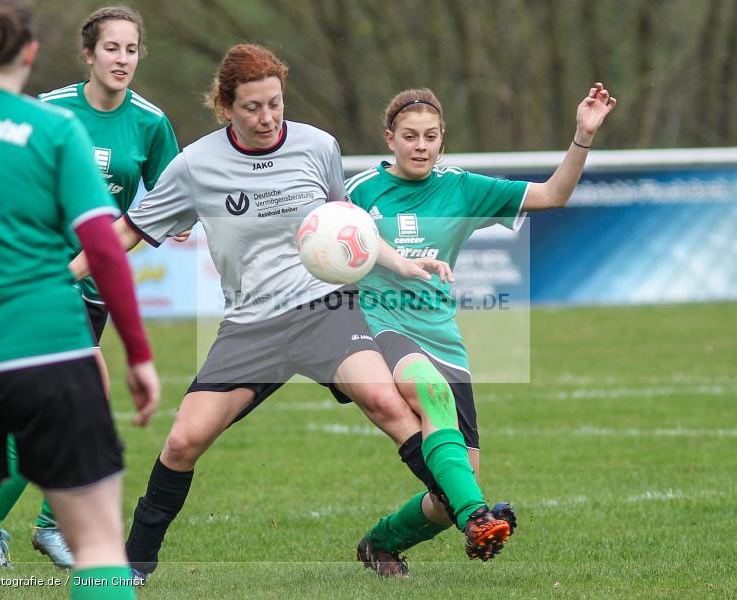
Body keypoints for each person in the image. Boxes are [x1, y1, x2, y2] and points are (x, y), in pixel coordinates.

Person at [67, 43, 513, 584]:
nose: (267, 117)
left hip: (325, 309)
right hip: (251, 324)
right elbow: (127, 233)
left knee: (386, 402)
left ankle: (473, 514)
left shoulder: (317, 146)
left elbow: (347, 226)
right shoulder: (196, 164)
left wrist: (400, 262)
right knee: (184, 441)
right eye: (252, 107)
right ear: (225, 107)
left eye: (275, 103)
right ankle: (133, 565)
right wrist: (58, 278)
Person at [0, 1, 161, 599]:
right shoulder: (52, 128)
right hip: (48, 346)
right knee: (99, 543)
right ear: (29, 54)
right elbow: (103, 247)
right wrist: (138, 353)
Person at [346, 84, 617, 577]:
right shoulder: (360, 190)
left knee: (456, 481)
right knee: (431, 397)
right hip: (379, 321)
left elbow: (554, 195)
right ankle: (478, 516)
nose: (421, 145)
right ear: (390, 139)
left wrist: (582, 136)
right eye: (410, 136)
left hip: (441, 331)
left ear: (443, 139)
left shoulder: (463, 187)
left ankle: (381, 543)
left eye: (430, 136)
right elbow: (332, 243)